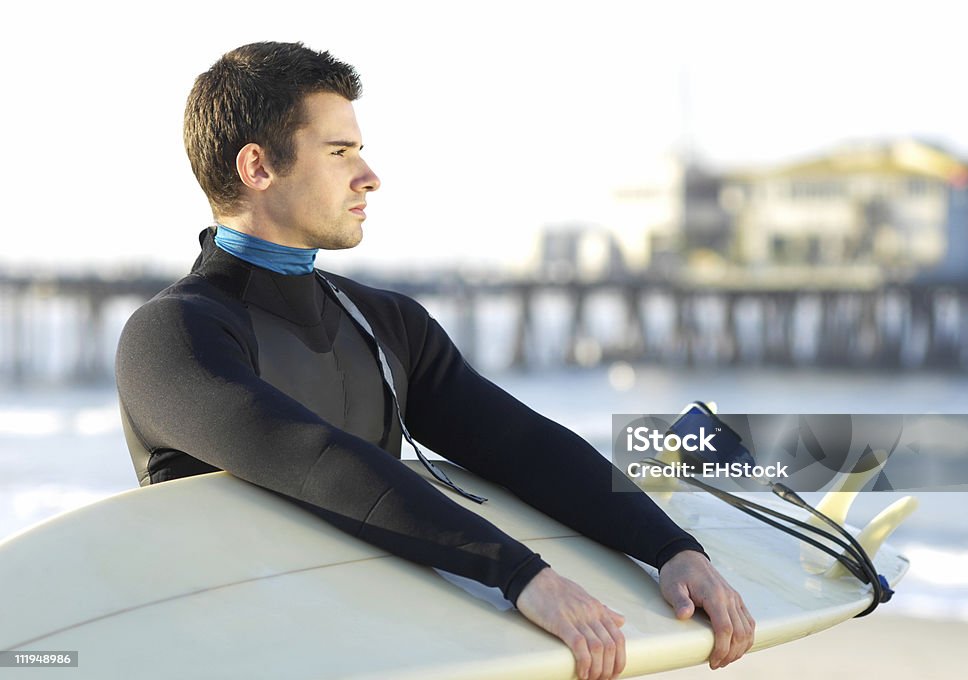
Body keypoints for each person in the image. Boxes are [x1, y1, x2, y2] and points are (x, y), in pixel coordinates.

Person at [115, 41, 754, 680]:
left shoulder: (386, 322)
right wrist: (521, 575)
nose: (368, 175)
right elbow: (314, 462)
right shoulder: (172, 337)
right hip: (231, 659)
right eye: (340, 153)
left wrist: (669, 547)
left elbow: (518, 444)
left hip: (373, 652)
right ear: (257, 166)